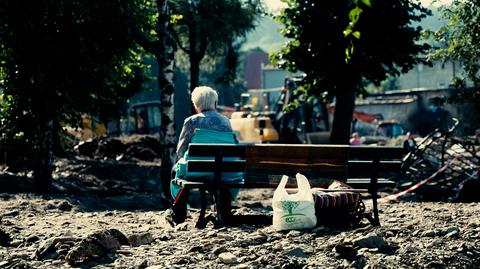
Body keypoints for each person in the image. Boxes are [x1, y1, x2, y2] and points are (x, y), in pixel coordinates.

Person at [176, 86, 233, 160]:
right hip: (225, 169)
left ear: (196, 105)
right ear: (215, 104)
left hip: (197, 169)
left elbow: (180, 152)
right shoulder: (226, 121)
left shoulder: (192, 121)